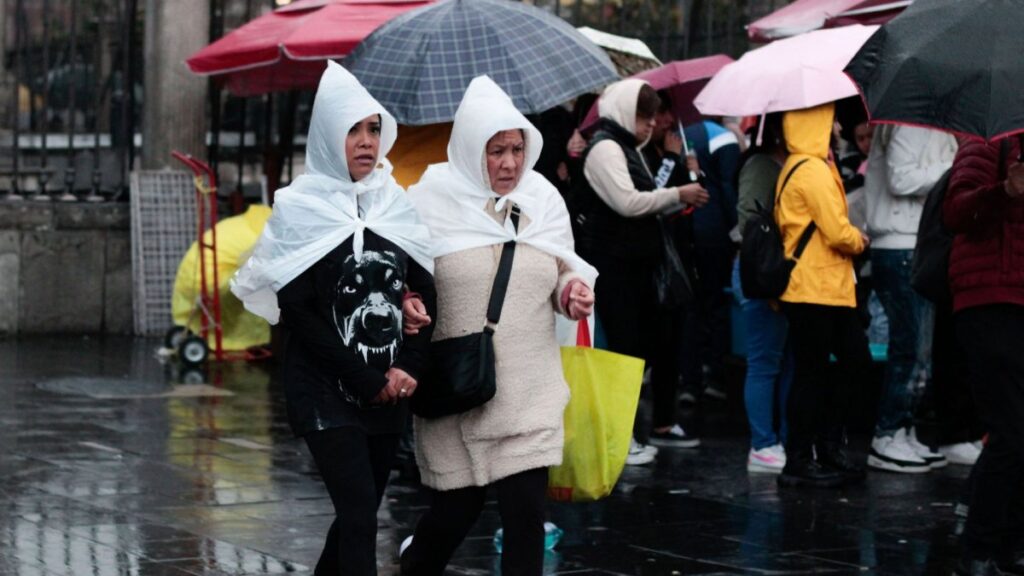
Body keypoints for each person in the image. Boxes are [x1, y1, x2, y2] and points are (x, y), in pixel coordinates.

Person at [230, 62, 437, 576]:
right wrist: (365, 379)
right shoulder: (303, 209)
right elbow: (299, 315)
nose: (366, 141)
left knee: (357, 516)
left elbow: (424, 291)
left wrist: (408, 364)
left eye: (373, 129)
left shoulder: (393, 204)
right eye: (352, 130)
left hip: (389, 389)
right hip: (326, 389)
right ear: (326, 136)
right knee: (360, 516)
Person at [398, 76, 597, 576]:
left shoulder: (542, 199)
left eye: (516, 148)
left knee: (525, 515)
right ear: (469, 150)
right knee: (454, 513)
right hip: (459, 386)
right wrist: (406, 301)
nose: (509, 163)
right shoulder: (428, 201)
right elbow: (398, 276)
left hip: (529, 387)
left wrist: (571, 290)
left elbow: (562, 264)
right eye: (495, 151)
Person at [570, 79, 708, 465]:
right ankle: (619, 437)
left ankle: (625, 434)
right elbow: (628, 203)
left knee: (633, 353)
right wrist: (678, 194)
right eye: (643, 116)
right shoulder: (607, 148)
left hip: (631, 268)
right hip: (614, 268)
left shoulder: (627, 148)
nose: (650, 124)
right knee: (622, 354)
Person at [774, 103, 872, 489]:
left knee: (835, 368)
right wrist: (858, 240)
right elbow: (836, 231)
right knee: (820, 372)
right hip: (817, 288)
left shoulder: (805, 165)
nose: (836, 126)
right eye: (829, 119)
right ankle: (802, 457)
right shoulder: (812, 169)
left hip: (822, 288)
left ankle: (823, 449)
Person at [946, 135, 1024, 576]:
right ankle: (978, 550)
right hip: (990, 299)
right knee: (1012, 432)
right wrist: (1005, 190)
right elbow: (956, 211)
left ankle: (1011, 544)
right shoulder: (989, 141)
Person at [862, 126, 957, 474]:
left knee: (920, 349)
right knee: (910, 346)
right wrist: (953, 168)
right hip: (899, 244)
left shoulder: (925, 125)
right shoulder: (907, 125)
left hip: (913, 243)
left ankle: (902, 428)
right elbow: (901, 179)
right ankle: (887, 433)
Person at [732, 113, 793, 474]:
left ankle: (778, 439)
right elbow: (749, 222)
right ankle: (763, 444)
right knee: (765, 361)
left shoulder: (791, 164)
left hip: (779, 273)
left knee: (783, 362)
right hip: (761, 273)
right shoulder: (760, 164)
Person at [681, 116, 742, 403]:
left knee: (691, 307)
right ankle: (715, 374)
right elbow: (728, 187)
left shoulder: (683, 134)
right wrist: (737, 230)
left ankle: (689, 379)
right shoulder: (725, 138)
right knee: (716, 303)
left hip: (686, 225)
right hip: (715, 229)